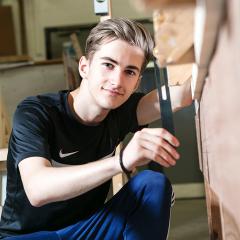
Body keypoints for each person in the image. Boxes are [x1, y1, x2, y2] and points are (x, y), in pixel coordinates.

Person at [0, 18, 192, 239]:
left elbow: (181, 96)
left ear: (137, 82)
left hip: (86, 231)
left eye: (129, 72)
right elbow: (38, 190)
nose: (117, 80)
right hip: (29, 237)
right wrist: (120, 162)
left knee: (153, 184)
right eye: (108, 65)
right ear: (84, 67)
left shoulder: (122, 111)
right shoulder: (37, 112)